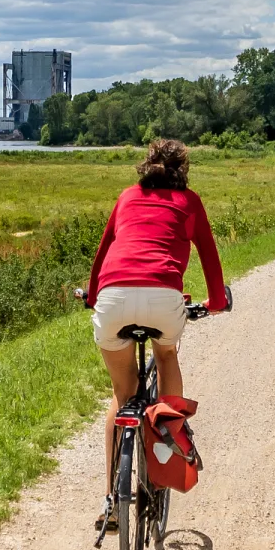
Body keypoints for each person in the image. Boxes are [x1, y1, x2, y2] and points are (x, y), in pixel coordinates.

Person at [85, 138, 229, 527]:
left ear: (146, 166)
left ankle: (112, 500)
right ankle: (168, 433)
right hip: (165, 296)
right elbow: (209, 256)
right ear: (183, 170)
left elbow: (103, 252)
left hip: (113, 298)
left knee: (122, 394)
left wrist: (93, 296)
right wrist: (217, 301)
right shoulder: (190, 201)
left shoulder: (127, 197)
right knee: (166, 354)